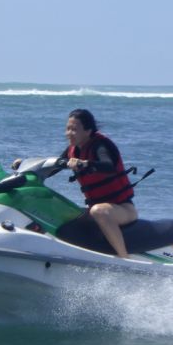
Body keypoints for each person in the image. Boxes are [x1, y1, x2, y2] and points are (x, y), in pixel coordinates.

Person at [60, 109, 137, 258]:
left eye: (74, 129)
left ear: (88, 131)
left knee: (98, 211)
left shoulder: (100, 145)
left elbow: (108, 165)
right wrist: (26, 164)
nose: (69, 133)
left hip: (123, 209)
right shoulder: (73, 150)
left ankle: (124, 258)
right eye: (68, 129)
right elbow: (55, 165)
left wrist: (85, 164)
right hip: (102, 208)